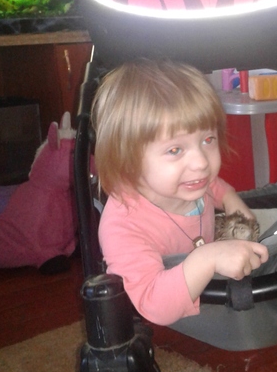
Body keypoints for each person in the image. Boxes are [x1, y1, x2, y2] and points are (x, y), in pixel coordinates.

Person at [92, 59, 268, 325]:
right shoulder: (124, 226)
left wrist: (231, 200)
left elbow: (215, 185)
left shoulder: (190, 181)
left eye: (208, 140)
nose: (201, 163)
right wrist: (208, 258)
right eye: (175, 150)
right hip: (180, 314)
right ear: (128, 160)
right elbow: (153, 305)